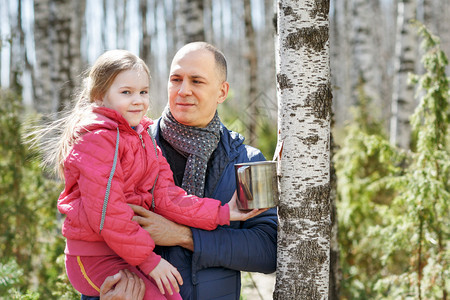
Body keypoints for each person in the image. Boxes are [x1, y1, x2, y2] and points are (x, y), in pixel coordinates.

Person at [45, 50, 265, 300]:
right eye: (175, 79)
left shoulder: (245, 159)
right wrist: (147, 263)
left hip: (139, 260)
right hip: (103, 256)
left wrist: (218, 216)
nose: (183, 90)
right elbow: (108, 214)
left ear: (222, 92)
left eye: (197, 81)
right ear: (100, 95)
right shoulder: (116, 139)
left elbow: (267, 250)